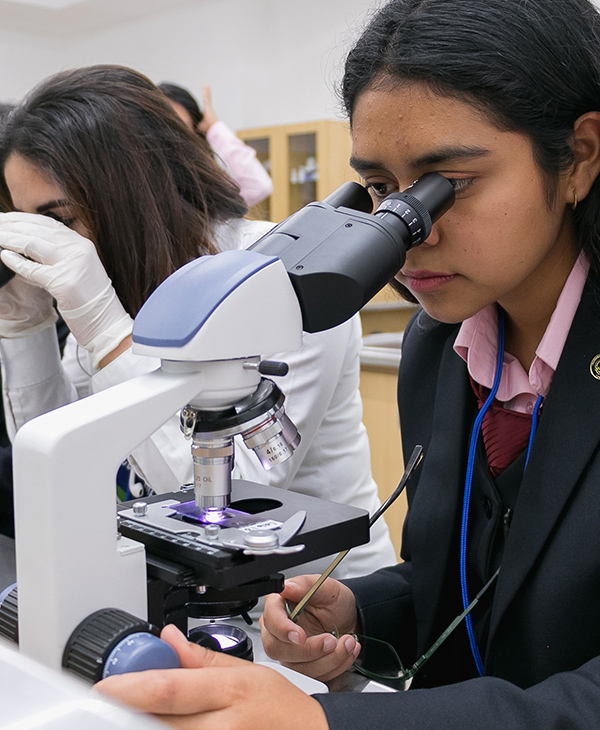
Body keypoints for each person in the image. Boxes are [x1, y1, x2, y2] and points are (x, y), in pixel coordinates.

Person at [94, 0, 600, 727]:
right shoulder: (445, 347)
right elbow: (486, 585)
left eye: (445, 183)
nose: (410, 232)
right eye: (384, 191)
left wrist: (329, 722)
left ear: (579, 156)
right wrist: (362, 609)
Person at [0, 65, 395, 582]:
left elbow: (223, 504)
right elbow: (60, 470)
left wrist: (108, 334)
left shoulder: (280, 273)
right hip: (173, 590)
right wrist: (25, 325)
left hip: (316, 604)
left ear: (134, 192)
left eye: (61, 220)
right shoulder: (118, 280)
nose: (52, 243)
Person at [159, 82, 273, 208]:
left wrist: (214, 127)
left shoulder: (203, 184)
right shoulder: (144, 176)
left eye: (181, 126)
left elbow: (259, 186)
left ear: (195, 132)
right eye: (164, 123)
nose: (171, 134)